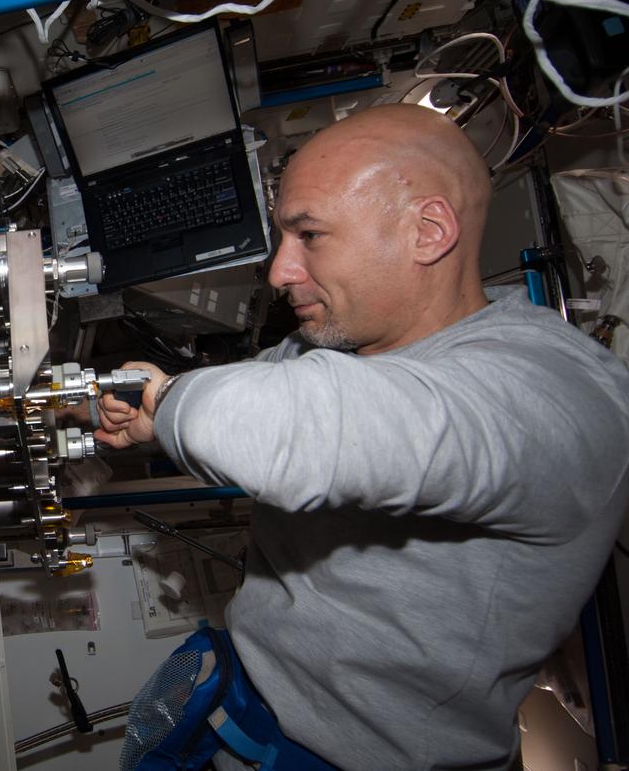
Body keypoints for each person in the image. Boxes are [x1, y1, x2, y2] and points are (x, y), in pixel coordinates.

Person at [97, 104, 629, 770]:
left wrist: (175, 399)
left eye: (310, 236)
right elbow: (262, 391)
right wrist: (153, 412)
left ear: (427, 231)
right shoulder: (353, 341)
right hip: (240, 699)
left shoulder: (554, 394)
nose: (280, 271)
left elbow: (277, 427)